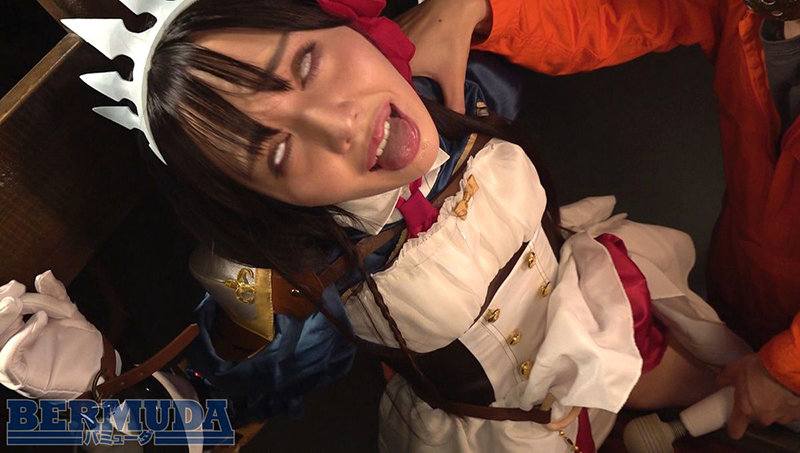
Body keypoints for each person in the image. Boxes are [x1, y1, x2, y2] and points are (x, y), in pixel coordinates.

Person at [57, 0, 751, 451]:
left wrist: (467, 5)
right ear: (258, 201)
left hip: (609, 320)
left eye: (307, 63)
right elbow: (219, 404)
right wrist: (97, 393)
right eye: (278, 152)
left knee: (746, 398)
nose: (340, 124)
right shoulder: (315, 276)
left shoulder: (464, 87)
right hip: (506, 437)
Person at [396, 0, 800, 440]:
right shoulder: (752, 9)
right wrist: (482, 8)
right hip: (744, 274)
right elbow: (618, 9)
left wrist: (787, 369)